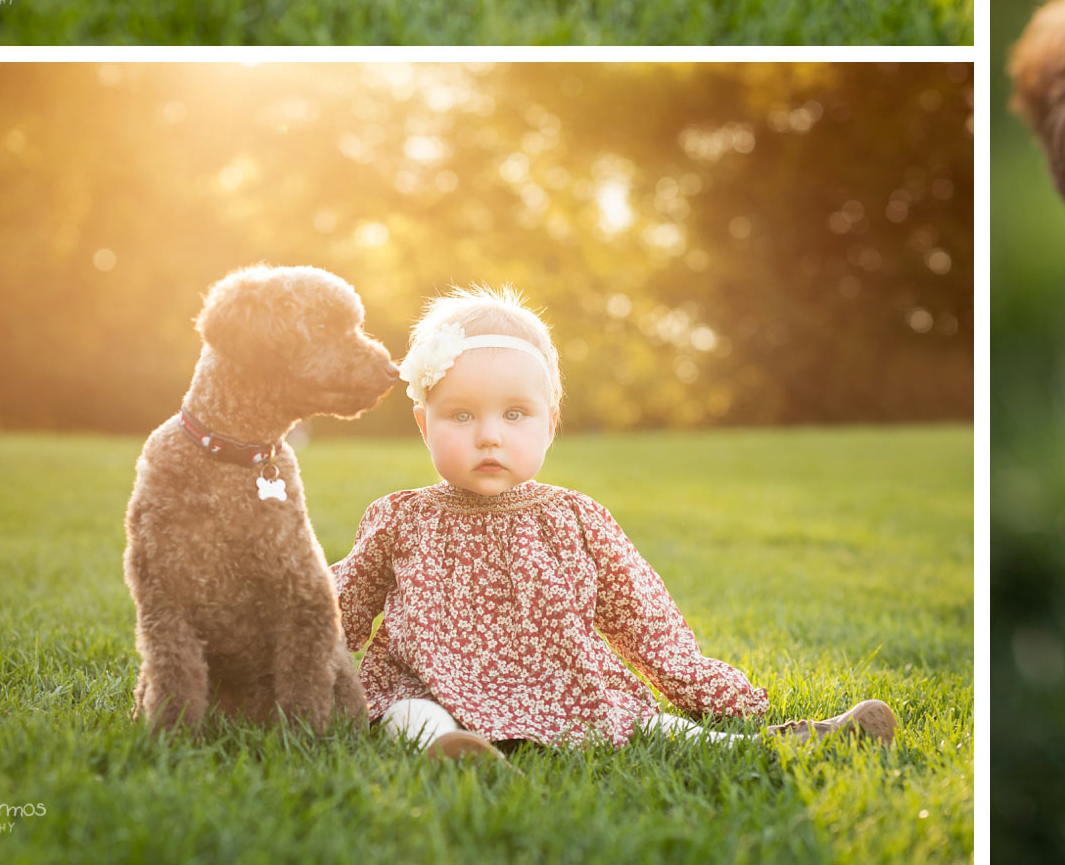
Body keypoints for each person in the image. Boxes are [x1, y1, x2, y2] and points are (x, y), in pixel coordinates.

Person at [330, 286, 899, 760]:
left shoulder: (575, 519)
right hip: (430, 680)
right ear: (424, 425)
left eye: (514, 414)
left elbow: (644, 615)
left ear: (549, 425)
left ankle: (764, 743)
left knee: (641, 721)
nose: (489, 435)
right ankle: (455, 751)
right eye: (460, 415)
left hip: (565, 685)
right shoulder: (402, 518)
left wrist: (712, 689)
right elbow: (337, 607)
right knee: (409, 712)